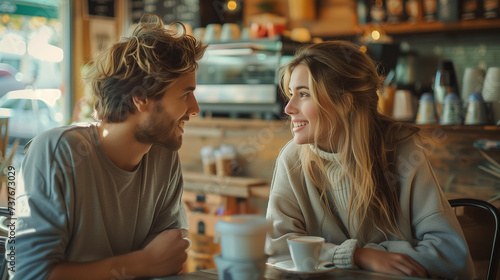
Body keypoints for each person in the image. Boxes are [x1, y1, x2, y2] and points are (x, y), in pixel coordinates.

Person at [10, 14, 206, 279]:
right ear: (141, 98)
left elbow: (169, 257)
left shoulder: (163, 155)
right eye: (185, 94)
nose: (195, 109)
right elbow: (31, 274)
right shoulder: (58, 152)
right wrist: (142, 263)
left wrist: (152, 263)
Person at [265, 41, 474, 279]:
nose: (289, 108)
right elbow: (276, 253)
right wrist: (357, 256)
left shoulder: (402, 151)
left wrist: (333, 255)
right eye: (291, 94)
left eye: (303, 94)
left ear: (344, 102)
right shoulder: (291, 159)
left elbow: (453, 257)